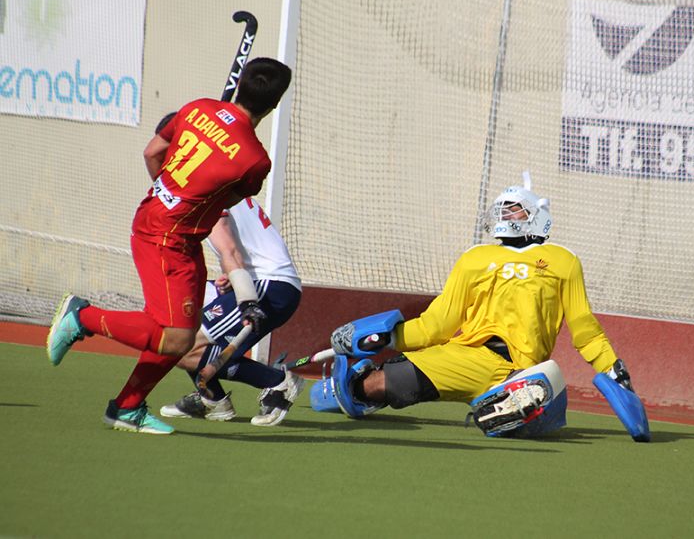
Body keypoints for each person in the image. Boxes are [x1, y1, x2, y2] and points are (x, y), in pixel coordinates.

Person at [46, 57, 292, 435]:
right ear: (275, 104)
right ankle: (82, 317)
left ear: (240, 83)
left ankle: (126, 407)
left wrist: (169, 190)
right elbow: (225, 201)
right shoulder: (255, 161)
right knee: (176, 336)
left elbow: (152, 152)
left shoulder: (196, 108)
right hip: (167, 238)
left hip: (166, 225)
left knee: (183, 335)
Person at [313, 173, 649, 440]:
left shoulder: (563, 261)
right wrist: (386, 338)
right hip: (465, 357)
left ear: (537, 215)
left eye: (515, 207)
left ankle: (507, 409)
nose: (506, 212)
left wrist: (613, 371)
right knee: (372, 386)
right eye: (502, 207)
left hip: (519, 370)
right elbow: (437, 324)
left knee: (549, 376)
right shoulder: (475, 257)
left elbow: (586, 332)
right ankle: (358, 387)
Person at [159, 197, 303, 427]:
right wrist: (233, 276)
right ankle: (212, 399)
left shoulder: (208, 192)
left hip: (269, 286)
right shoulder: (220, 186)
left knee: (181, 345)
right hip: (261, 281)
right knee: (181, 325)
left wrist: (241, 285)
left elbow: (230, 250)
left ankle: (278, 382)